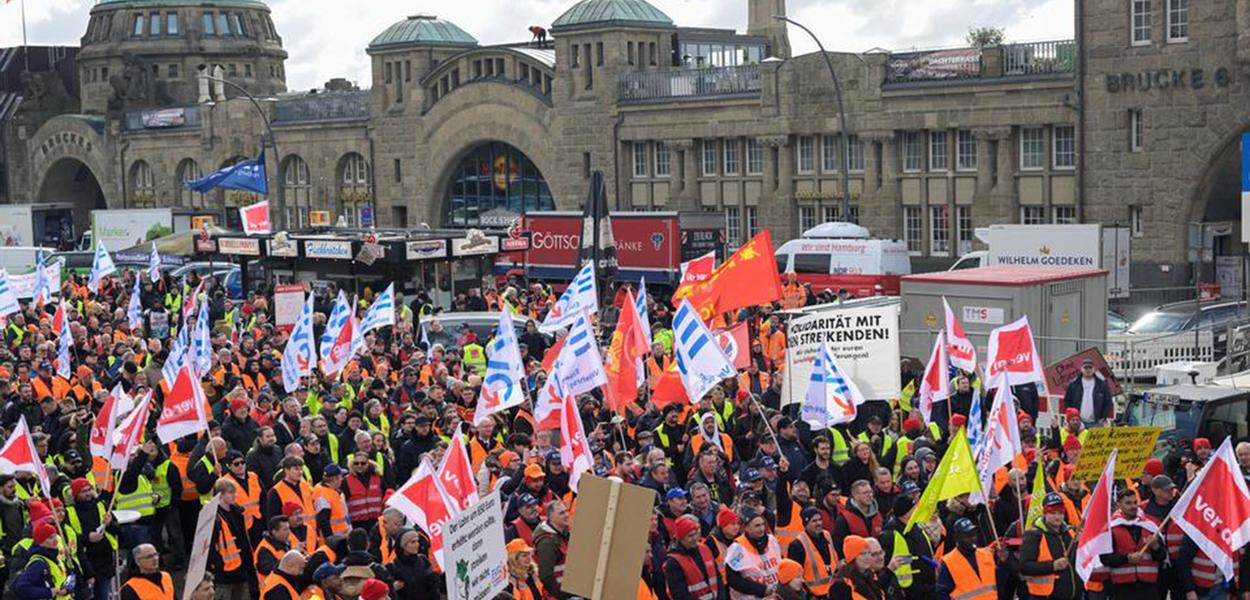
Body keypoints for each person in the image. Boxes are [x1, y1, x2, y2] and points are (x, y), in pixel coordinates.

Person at [1099, 489, 1166, 600]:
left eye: (1135, 502)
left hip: (1149, 587)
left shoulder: (1149, 525)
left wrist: (1156, 546)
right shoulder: (1111, 528)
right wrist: (1127, 558)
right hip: (1123, 588)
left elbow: (1162, 556)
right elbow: (1105, 558)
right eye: (1128, 503)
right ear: (1119, 505)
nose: (1133, 506)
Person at [1019, 493, 1078, 600]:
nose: (1058, 517)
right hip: (1044, 596)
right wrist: (1052, 566)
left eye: (1060, 513)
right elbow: (1024, 566)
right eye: (1053, 513)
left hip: (1073, 595)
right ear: (1045, 513)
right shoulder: (1033, 534)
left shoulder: (1070, 532)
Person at [935, 518, 1005, 600]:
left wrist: (1003, 563)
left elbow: (1000, 582)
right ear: (957, 538)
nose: (972, 538)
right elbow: (942, 593)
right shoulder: (949, 561)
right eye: (967, 536)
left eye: (973, 534)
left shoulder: (987, 555)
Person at [724, 509, 782, 599]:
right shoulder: (737, 548)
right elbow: (732, 579)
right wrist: (761, 590)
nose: (762, 528)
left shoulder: (771, 540)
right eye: (757, 526)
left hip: (774, 594)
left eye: (763, 524)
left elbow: (781, 562)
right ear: (746, 528)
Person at [663, 514, 721, 600]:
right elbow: (680, 595)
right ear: (681, 538)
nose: (694, 538)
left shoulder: (705, 549)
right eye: (690, 536)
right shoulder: (673, 562)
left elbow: (718, 578)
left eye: (695, 534)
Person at [786, 506, 836, 597]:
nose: (818, 523)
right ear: (805, 524)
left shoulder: (827, 535)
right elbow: (794, 576)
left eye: (820, 519)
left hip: (833, 591)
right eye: (814, 521)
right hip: (813, 595)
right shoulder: (797, 545)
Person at [14, 522, 71, 599]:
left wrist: (67, 588)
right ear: (40, 542)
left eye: (55, 536)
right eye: (50, 538)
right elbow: (21, 587)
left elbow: (71, 576)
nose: (55, 540)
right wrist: (49, 592)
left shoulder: (58, 559)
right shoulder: (38, 563)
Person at [829, 535, 892, 600]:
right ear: (852, 558)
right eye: (862, 554)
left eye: (869, 553)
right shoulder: (841, 586)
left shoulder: (872, 577)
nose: (867, 557)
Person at [388, 529, 437, 600]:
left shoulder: (423, 560)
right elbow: (388, 592)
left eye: (417, 541)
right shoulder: (393, 566)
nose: (417, 544)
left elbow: (433, 586)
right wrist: (393, 587)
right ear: (403, 545)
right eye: (412, 542)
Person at [1062, 358, 1112, 427]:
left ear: (1094, 369)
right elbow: (1067, 401)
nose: (1088, 370)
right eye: (1086, 368)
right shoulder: (1073, 385)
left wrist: (1103, 417)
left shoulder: (1102, 385)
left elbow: (1108, 402)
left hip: (1096, 422)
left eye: (1090, 368)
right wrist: (1070, 417)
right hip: (1077, 422)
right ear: (1081, 369)